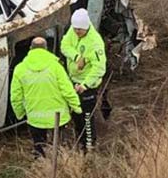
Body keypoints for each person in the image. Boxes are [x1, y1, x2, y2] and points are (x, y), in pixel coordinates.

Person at [10, 37, 81, 158]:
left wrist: (20, 113)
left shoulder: (20, 69)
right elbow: (67, 90)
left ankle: (41, 167)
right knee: (60, 149)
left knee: (40, 149)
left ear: (30, 49)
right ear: (46, 49)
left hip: (35, 118)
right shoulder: (56, 67)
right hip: (58, 117)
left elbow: (16, 96)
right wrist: (76, 107)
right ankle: (61, 169)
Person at [61, 8, 107, 152]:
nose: (76, 32)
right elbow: (64, 46)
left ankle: (90, 146)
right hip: (73, 80)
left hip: (88, 85)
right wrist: (76, 57)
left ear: (86, 27)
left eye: (79, 30)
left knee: (87, 116)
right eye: (75, 29)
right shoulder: (73, 31)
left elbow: (99, 68)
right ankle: (80, 143)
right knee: (76, 113)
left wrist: (85, 85)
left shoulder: (95, 43)